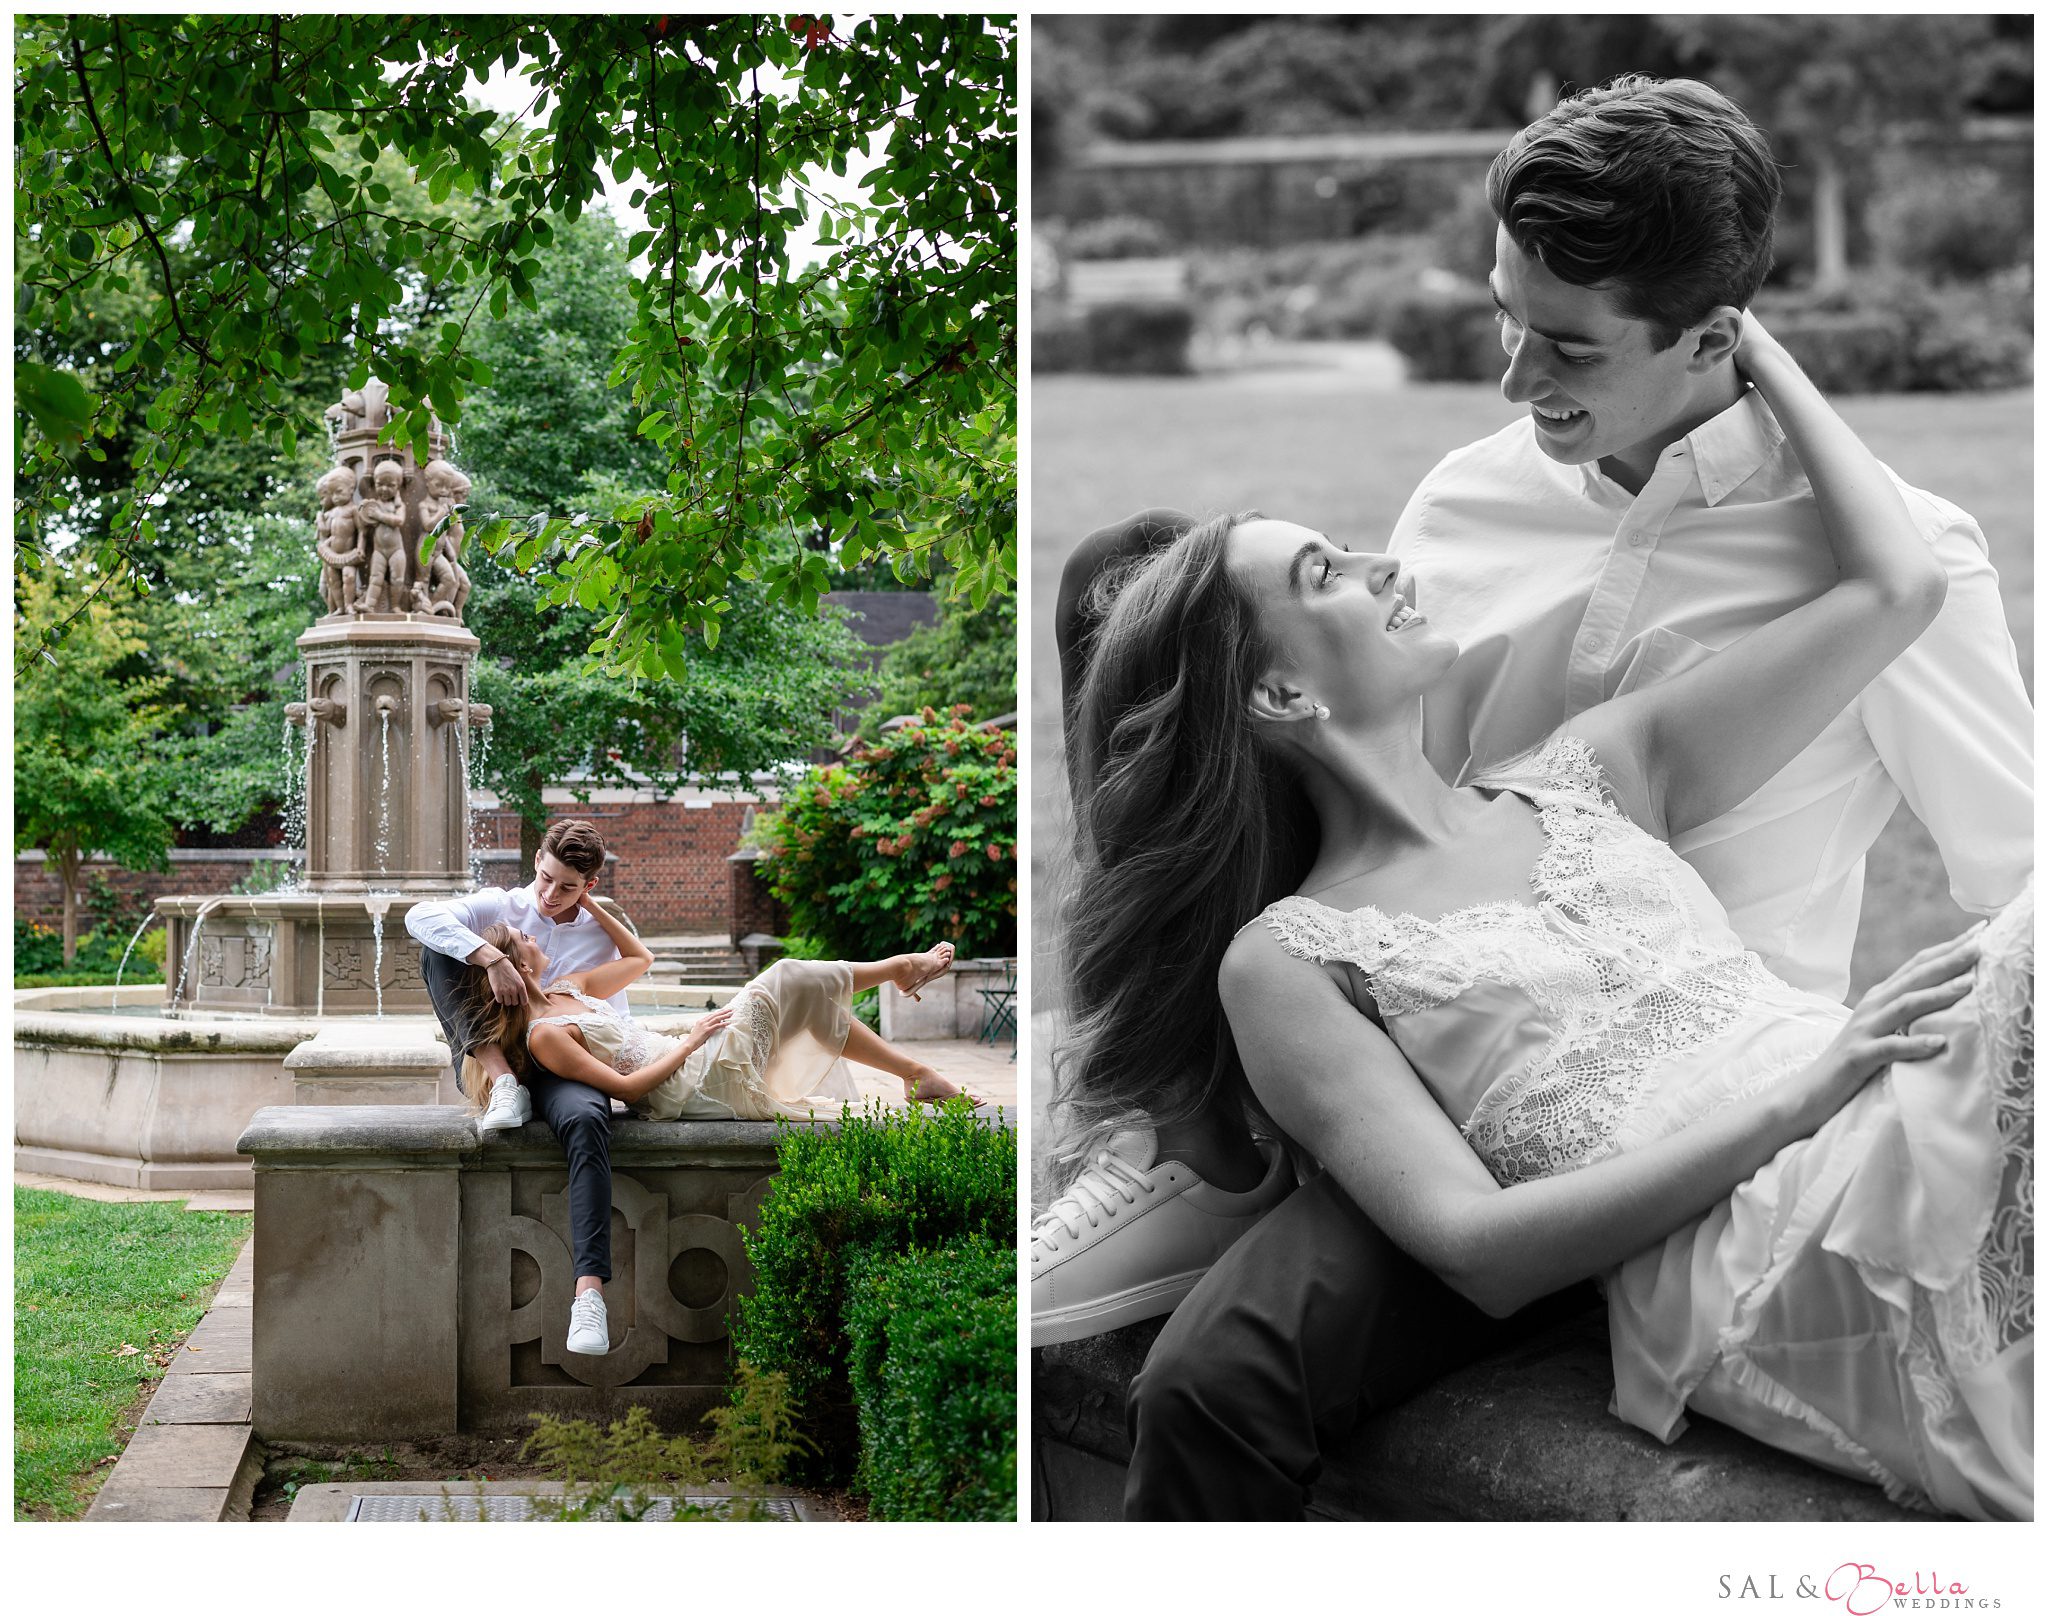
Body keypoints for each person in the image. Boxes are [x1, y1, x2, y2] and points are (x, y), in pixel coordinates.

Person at [1035, 76, 2032, 1519]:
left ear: (1710, 338)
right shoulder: (1461, 503)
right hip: (1471, 1068)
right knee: (1118, 577)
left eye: (1563, 346)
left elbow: (2008, 851)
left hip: (1743, 1052)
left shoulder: (1882, 557)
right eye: (1506, 319)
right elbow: (1338, 774)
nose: (1513, 378)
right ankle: (1200, 1136)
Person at [408, 819, 633, 1353]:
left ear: (591, 886)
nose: (552, 896)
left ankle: (588, 1296)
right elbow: (419, 915)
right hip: (496, 1062)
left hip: (560, 1068)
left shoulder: (600, 937)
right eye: (548, 878)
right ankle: (505, 1082)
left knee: (586, 1119)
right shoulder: (499, 906)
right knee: (435, 949)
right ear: (537, 860)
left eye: (569, 887)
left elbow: (615, 1021)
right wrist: (492, 958)